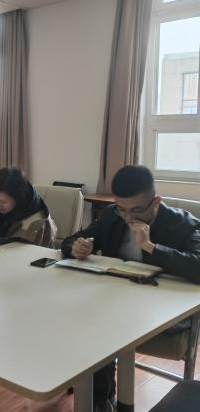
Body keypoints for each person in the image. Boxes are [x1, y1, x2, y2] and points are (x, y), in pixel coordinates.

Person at [61, 165, 200, 412]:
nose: (127, 217)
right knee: (82, 314)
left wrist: (150, 247)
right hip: (115, 301)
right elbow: (73, 239)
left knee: (99, 324)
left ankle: (100, 396)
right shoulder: (112, 216)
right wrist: (77, 248)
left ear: (156, 201)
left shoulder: (184, 224)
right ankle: (100, 398)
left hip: (162, 312)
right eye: (121, 208)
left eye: (136, 210)